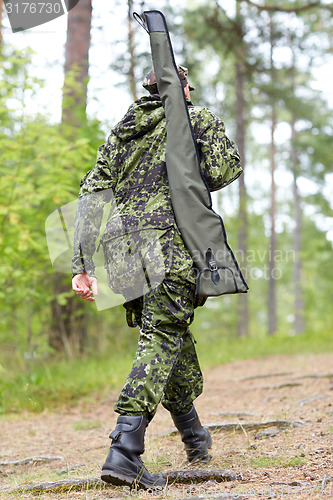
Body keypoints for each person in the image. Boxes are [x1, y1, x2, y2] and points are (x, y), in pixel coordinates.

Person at [72, 66, 242, 489]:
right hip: (169, 244)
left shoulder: (121, 133)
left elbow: (93, 194)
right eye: (188, 89)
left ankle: (194, 437)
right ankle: (125, 453)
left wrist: (82, 263)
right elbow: (223, 172)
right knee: (161, 338)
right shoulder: (196, 119)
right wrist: (198, 129)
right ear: (180, 88)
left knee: (169, 339)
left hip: (124, 252)